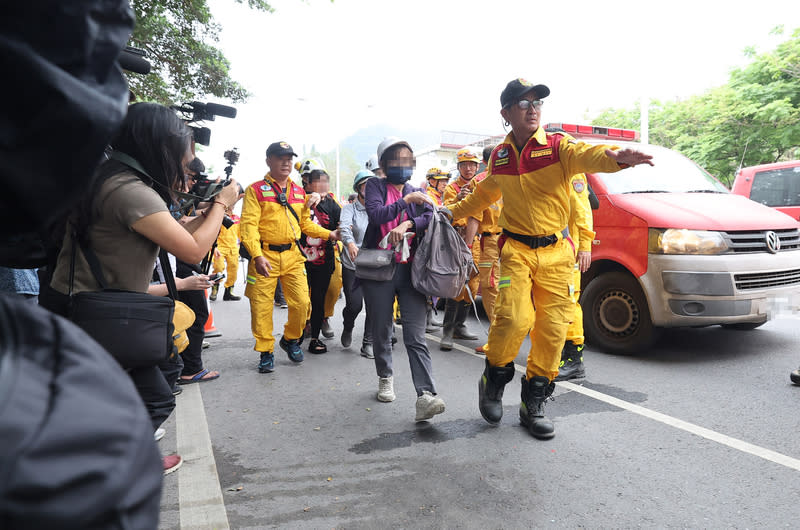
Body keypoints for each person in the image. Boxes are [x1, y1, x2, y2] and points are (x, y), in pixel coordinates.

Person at [446, 78, 653, 439]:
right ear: (506, 113)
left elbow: (587, 155)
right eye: (523, 103)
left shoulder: (558, 147)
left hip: (558, 254)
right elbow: (484, 193)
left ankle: (534, 401)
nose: (532, 108)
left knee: (554, 329)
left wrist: (615, 159)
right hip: (516, 253)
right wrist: (450, 212)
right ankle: (494, 378)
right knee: (513, 318)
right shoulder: (501, 156)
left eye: (537, 102)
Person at [45, 101, 240, 469]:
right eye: (184, 150)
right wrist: (222, 205)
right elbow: (195, 250)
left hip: (86, 307)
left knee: (134, 391)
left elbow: (173, 232)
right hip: (97, 314)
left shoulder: (112, 179)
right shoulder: (129, 190)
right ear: (158, 145)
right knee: (154, 397)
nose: (186, 162)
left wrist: (204, 212)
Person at [361, 137, 445, 422]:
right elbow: (375, 216)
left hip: (411, 272)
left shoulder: (416, 190)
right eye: (396, 160)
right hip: (379, 270)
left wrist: (409, 222)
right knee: (382, 328)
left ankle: (426, 396)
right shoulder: (375, 186)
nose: (402, 165)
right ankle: (385, 376)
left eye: (407, 160)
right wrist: (405, 205)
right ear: (384, 164)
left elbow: (431, 216)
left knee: (415, 335)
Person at [240, 142, 339, 373]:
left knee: (303, 303)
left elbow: (305, 224)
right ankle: (266, 351)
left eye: (288, 158)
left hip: (294, 256)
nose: (285, 162)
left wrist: (330, 234)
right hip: (264, 256)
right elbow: (248, 228)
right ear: (268, 160)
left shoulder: (298, 192)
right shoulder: (255, 190)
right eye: (279, 157)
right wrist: (256, 255)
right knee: (262, 307)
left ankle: (291, 339)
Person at [440, 148, 482, 350]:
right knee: (455, 284)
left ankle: (460, 325)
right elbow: (445, 212)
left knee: (472, 285)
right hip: (457, 239)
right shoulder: (451, 188)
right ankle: (447, 330)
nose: (469, 169)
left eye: (472, 165)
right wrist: (459, 199)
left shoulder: (482, 186)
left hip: (477, 241)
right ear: (459, 167)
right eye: (464, 165)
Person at [300, 169, 341, 354]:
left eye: (326, 181)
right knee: (300, 301)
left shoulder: (332, 204)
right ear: (307, 184)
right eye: (318, 181)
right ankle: (295, 334)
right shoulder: (298, 200)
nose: (323, 184)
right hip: (298, 261)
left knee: (318, 300)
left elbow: (342, 224)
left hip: (324, 260)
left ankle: (315, 337)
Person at [339, 169, 375, 358]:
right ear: (358, 188)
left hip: (375, 264)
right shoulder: (349, 209)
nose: (369, 189)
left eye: (372, 185)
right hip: (352, 264)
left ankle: (368, 343)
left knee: (374, 305)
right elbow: (344, 228)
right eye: (365, 185)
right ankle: (348, 325)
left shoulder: (379, 208)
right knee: (355, 305)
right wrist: (350, 243)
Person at [473, 145, 503, 355]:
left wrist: (467, 244)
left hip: (490, 243)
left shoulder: (481, 181)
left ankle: (496, 340)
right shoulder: (512, 178)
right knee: (504, 288)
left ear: (484, 162)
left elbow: (474, 215)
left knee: (491, 289)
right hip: (510, 242)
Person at [210, 213, 242, 301]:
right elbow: (212, 233)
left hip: (233, 248)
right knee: (218, 267)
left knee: (233, 270)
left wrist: (243, 245)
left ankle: (229, 292)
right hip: (220, 247)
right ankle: (215, 289)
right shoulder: (219, 216)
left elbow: (240, 233)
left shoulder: (236, 218)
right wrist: (213, 247)